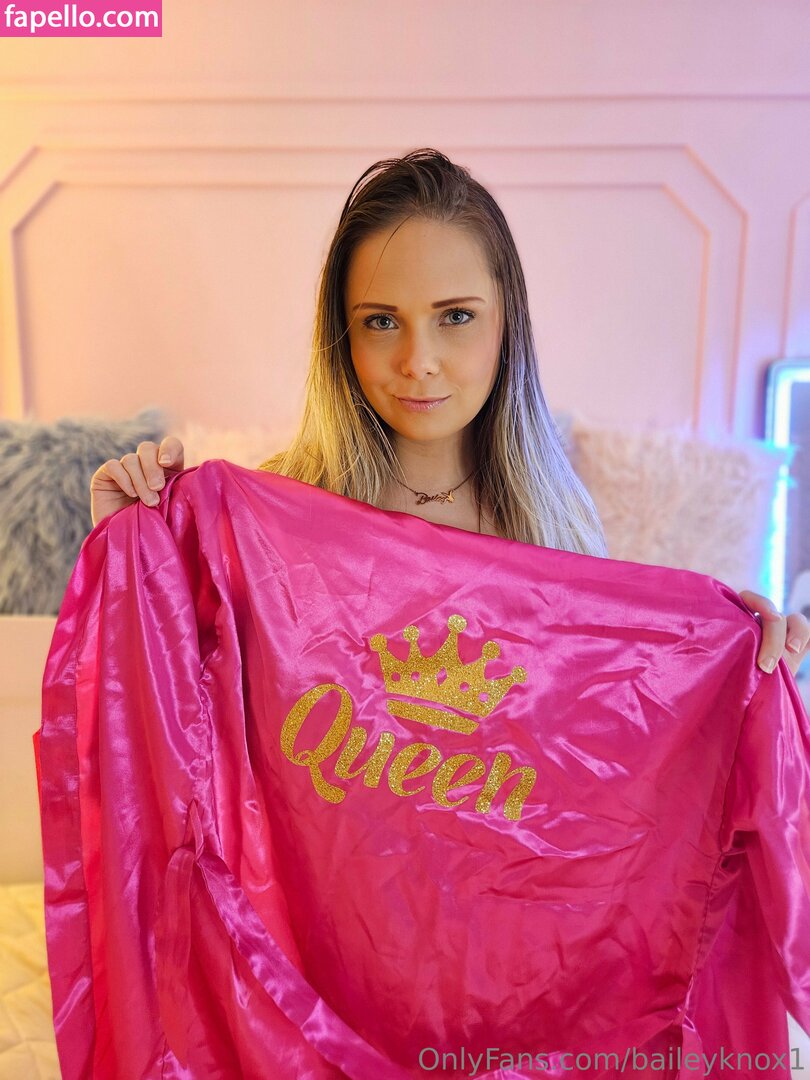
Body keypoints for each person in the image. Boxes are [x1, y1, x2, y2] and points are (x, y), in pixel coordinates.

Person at [89, 147, 809, 678]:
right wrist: (127, 550)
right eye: (381, 322)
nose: (419, 360)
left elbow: (613, 754)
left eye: (455, 316)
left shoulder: (557, 529)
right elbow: (173, 719)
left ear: (506, 322)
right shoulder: (273, 516)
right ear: (341, 337)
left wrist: (742, 669)